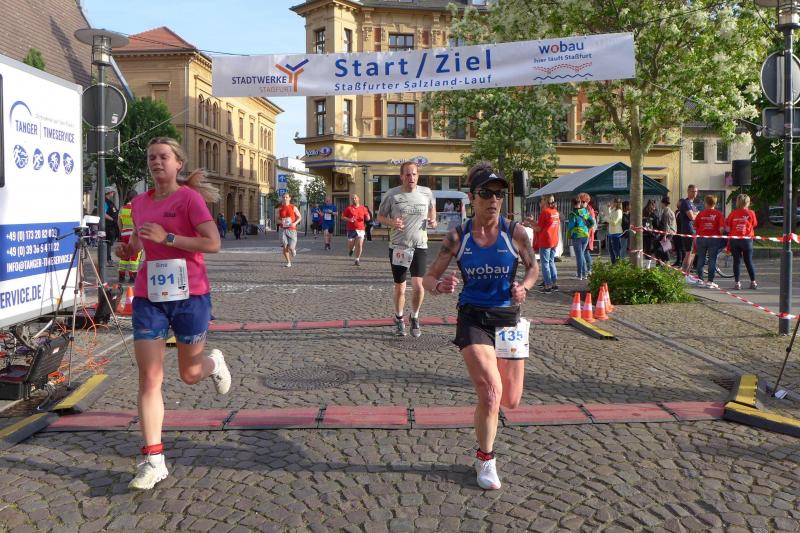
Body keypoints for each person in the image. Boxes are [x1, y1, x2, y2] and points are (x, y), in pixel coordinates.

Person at [115, 137, 231, 491]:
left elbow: (213, 243)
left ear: (178, 163)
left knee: (190, 374)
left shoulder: (189, 199)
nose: (156, 162)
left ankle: (214, 363)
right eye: (151, 157)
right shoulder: (138, 203)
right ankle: (153, 460)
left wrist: (168, 239)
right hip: (149, 296)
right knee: (149, 378)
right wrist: (127, 250)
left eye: (163, 156)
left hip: (190, 295)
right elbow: (137, 243)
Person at [422, 161, 539, 490]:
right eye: (486, 193)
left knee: (510, 400)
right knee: (490, 392)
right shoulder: (458, 236)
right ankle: (485, 459)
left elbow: (533, 268)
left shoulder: (514, 232)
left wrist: (524, 287)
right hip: (473, 317)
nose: (493, 200)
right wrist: (439, 286)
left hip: (508, 319)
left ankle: (487, 433)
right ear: (472, 197)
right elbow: (428, 278)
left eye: (499, 194)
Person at [377, 161, 437, 337]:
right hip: (399, 247)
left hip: (420, 245)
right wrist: (392, 222)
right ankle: (399, 318)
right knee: (400, 287)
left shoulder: (426, 192)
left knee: (419, 286)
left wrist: (433, 220)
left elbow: (432, 210)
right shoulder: (392, 195)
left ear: (418, 176)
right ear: (402, 176)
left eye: (414, 174)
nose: (411, 177)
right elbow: (380, 216)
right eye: (408, 174)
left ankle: (415, 317)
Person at [725, 194, 758, 290]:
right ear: (748, 203)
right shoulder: (751, 213)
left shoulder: (733, 213)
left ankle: (737, 283)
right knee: (748, 261)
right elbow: (754, 224)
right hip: (747, 240)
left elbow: (728, 226)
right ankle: (753, 282)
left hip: (735, 240)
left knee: (737, 261)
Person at [694, 195, 725, 288]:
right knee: (712, 259)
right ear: (715, 203)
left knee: (701, 259)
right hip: (714, 239)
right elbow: (721, 229)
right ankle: (710, 282)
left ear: (705, 203)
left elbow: (695, 227)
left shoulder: (700, 214)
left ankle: (700, 280)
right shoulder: (719, 214)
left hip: (701, 238)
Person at [533, 195, 559, 292]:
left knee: (545, 263)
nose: (540, 201)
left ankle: (548, 285)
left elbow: (538, 228)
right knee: (551, 261)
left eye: (542, 200)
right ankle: (554, 283)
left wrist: (529, 225)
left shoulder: (545, 212)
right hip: (554, 239)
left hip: (546, 240)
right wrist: (532, 222)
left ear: (545, 201)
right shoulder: (555, 212)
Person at [117, 190, 143, 283]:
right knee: (135, 255)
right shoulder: (138, 208)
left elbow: (119, 222)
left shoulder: (122, 208)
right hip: (134, 235)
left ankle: (121, 275)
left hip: (124, 234)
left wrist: (122, 231)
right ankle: (132, 276)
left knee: (124, 255)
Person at [566, 196, 594, 280]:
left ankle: (580, 275)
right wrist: (586, 228)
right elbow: (592, 222)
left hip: (577, 236)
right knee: (582, 254)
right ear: (580, 202)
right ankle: (585, 274)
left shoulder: (572, 214)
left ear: (572, 203)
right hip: (585, 235)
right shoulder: (585, 211)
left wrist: (569, 234)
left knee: (579, 256)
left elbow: (571, 226)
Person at [342, 193, 371, 266]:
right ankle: (352, 249)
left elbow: (368, 218)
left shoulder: (363, 208)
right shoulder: (349, 208)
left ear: (358, 199)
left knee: (360, 245)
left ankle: (357, 259)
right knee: (350, 245)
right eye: (352, 198)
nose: (354, 199)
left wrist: (367, 217)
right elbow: (343, 217)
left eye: (355, 198)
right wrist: (349, 219)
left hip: (361, 229)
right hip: (351, 229)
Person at [676, 184, 699, 272]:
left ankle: (687, 273)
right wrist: (697, 214)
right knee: (689, 252)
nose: (695, 193)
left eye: (696, 191)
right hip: (688, 230)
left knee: (693, 252)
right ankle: (684, 273)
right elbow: (692, 217)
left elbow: (695, 216)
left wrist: (696, 214)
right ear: (688, 192)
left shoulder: (693, 204)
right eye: (693, 191)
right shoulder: (686, 203)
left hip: (693, 230)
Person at [276, 193, 302, 267]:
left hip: (292, 229)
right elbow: (277, 220)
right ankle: (288, 262)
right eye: (283, 197)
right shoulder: (279, 208)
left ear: (289, 198)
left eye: (286, 197)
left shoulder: (293, 207)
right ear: (282, 198)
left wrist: (294, 223)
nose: (285, 198)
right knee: (285, 246)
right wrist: (282, 222)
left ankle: (293, 250)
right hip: (282, 229)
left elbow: (300, 217)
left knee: (291, 247)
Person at [654, 196, 677, 265]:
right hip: (668, 232)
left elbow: (667, 225)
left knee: (662, 248)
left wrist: (665, 236)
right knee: (658, 245)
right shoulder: (668, 211)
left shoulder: (667, 212)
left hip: (668, 233)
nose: (660, 205)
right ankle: (660, 261)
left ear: (663, 203)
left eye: (661, 203)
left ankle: (666, 262)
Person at [578, 192, 596, 275]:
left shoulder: (587, 210)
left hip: (586, 234)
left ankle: (587, 270)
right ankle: (587, 270)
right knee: (585, 252)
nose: (579, 203)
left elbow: (590, 223)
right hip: (585, 233)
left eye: (580, 201)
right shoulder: (587, 209)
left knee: (584, 252)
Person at [104, 187, 119, 265]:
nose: (113, 194)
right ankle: (108, 259)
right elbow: (103, 213)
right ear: (109, 193)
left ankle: (108, 258)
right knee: (108, 243)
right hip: (108, 226)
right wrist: (112, 219)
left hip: (112, 226)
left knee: (110, 243)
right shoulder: (105, 202)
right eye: (112, 192)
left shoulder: (110, 202)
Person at [606, 198, 623, 264]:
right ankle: (613, 264)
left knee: (616, 250)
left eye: (614, 202)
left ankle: (618, 264)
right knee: (610, 250)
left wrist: (607, 219)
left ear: (618, 203)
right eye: (613, 202)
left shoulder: (619, 211)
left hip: (616, 233)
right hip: (611, 232)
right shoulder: (613, 209)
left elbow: (615, 222)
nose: (613, 203)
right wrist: (608, 208)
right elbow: (610, 216)